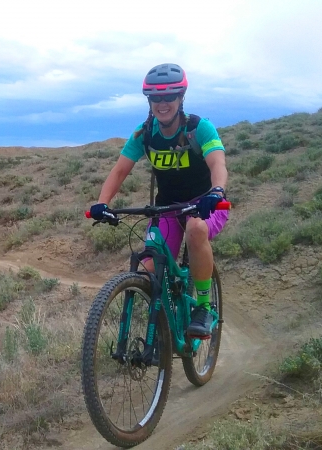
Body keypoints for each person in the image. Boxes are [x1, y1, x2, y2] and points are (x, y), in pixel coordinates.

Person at [89, 63, 228, 337]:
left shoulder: (199, 129)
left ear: (180, 99)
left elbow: (218, 164)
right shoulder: (145, 133)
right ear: (149, 101)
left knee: (196, 229)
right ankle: (167, 326)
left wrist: (217, 192)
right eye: (156, 98)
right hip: (167, 207)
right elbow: (119, 171)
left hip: (205, 203)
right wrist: (101, 203)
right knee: (150, 268)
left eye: (169, 97)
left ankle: (202, 306)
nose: (162, 104)